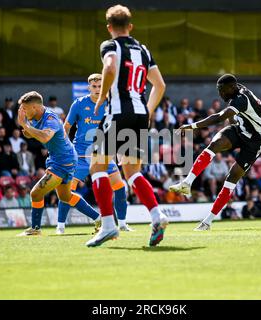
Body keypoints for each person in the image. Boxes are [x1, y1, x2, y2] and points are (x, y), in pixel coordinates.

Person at [87, 4, 167, 247]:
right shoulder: (143, 49)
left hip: (118, 112)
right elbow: (160, 85)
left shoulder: (110, 45)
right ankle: (157, 215)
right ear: (130, 26)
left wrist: (101, 98)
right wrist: (149, 110)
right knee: (132, 171)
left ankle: (109, 226)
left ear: (109, 27)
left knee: (97, 167)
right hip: (141, 113)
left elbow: (110, 67)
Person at [170, 74, 261, 231]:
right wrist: (231, 131)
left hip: (256, 141)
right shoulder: (236, 90)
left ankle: (207, 222)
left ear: (231, 88)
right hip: (241, 129)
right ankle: (187, 183)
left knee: (232, 178)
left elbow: (219, 117)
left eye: (222, 90)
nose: (220, 94)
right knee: (215, 144)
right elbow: (231, 115)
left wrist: (192, 126)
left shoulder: (241, 99)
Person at [16, 91, 101, 236]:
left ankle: (35, 229)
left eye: (24, 108)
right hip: (64, 158)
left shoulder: (50, 118)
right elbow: (34, 133)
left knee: (36, 193)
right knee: (66, 197)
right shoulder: (36, 116)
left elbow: (45, 137)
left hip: (63, 161)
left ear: (35, 107)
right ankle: (99, 219)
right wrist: (28, 130)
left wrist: (25, 124)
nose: (22, 111)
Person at [60, 73, 131, 234]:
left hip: (103, 153)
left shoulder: (112, 103)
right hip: (81, 155)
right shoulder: (79, 104)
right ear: (88, 87)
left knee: (120, 187)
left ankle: (123, 224)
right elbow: (66, 127)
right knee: (66, 190)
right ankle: (60, 226)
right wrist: (66, 149)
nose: (98, 89)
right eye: (94, 86)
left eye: (100, 86)